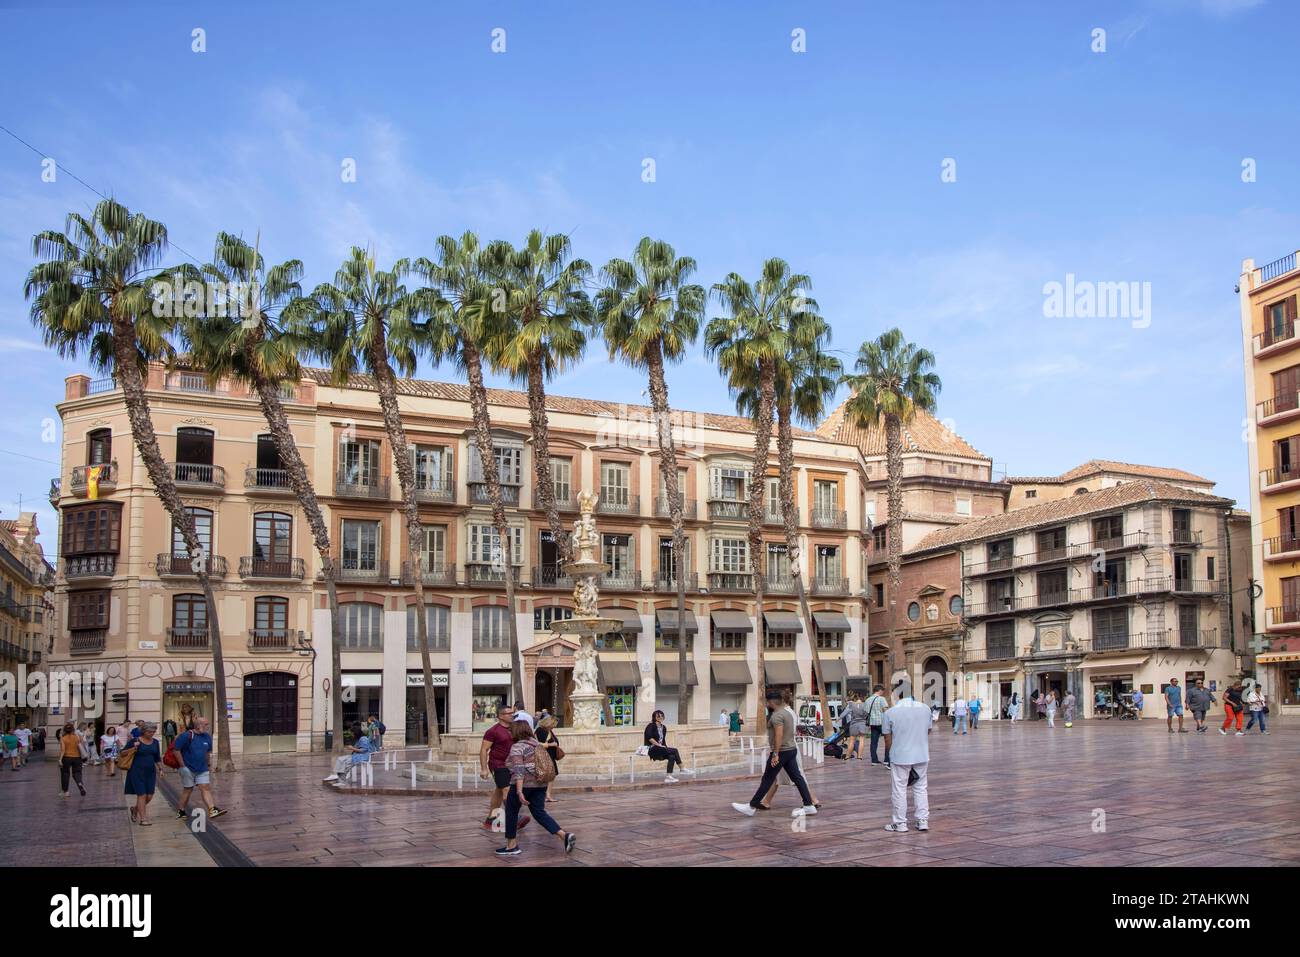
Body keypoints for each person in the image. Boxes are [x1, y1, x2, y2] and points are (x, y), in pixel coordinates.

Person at [495, 718, 576, 857]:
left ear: (516, 731)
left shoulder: (517, 747)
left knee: (511, 812)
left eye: (510, 730)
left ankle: (511, 846)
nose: (509, 733)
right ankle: (564, 835)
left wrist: (519, 791)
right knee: (539, 812)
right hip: (541, 784)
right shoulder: (536, 744)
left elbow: (519, 770)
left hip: (523, 785)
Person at [732, 689, 816, 818]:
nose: (766, 704)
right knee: (797, 778)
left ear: (771, 702)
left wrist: (775, 753)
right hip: (791, 749)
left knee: (768, 779)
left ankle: (751, 806)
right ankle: (809, 805)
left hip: (781, 751)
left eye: (767, 702)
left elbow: (778, 734)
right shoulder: (788, 713)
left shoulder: (777, 716)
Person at [881, 684, 932, 833]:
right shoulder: (925, 709)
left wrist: (890, 754)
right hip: (922, 754)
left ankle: (900, 823)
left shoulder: (890, 712)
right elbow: (928, 730)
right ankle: (923, 820)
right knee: (921, 787)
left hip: (900, 754)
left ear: (897, 695)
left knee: (899, 789)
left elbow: (887, 737)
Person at [479, 706, 529, 831]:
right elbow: (484, 749)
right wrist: (484, 768)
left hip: (512, 764)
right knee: (506, 789)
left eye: (513, 712)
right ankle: (514, 818)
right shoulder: (493, 731)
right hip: (498, 764)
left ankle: (491, 819)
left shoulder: (514, 728)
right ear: (501, 716)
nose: (512, 714)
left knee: (499, 790)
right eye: (509, 713)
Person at [175, 716, 227, 821]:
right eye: (206, 724)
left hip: (202, 768)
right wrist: (182, 766)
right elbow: (176, 750)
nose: (207, 726)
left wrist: (208, 764)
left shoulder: (207, 737)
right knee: (188, 789)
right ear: (198, 725)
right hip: (187, 768)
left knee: (205, 787)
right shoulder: (187, 735)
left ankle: (212, 810)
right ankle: (181, 810)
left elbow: (207, 752)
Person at [123, 722, 162, 824]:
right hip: (136, 771)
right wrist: (133, 748)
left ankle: (135, 809)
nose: (152, 733)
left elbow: (157, 757)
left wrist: (160, 769)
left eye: (153, 731)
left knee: (149, 796)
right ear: (144, 731)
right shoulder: (135, 740)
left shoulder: (155, 742)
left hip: (150, 772)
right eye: (150, 731)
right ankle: (143, 819)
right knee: (142, 795)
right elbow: (122, 753)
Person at [644, 710, 693, 783]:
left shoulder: (664, 727)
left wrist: (665, 748)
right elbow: (650, 738)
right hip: (652, 749)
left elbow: (662, 740)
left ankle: (668, 777)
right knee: (675, 750)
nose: (660, 717)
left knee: (672, 756)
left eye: (662, 716)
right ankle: (682, 768)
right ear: (654, 717)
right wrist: (659, 745)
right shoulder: (651, 726)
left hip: (660, 749)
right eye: (658, 716)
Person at [535, 714, 562, 802]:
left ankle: (547, 795)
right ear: (549, 723)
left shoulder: (548, 730)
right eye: (553, 725)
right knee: (549, 776)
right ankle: (547, 796)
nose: (554, 727)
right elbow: (538, 744)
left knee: (551, 775)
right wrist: (552, 744)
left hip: (550, 756)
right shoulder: (541, 731)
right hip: (545, 756)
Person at [57, 722, 86, 796]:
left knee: (65, 774)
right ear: (73, 729)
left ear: (64, 730)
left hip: (66, 758)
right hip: (77, 758)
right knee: (77, 773)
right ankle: (80, 784)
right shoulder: (77, 736)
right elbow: (82, 745)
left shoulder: (63, 738)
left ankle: (65, 792)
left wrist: (60, 759)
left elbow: (63, 750)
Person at [865, 684, 890, 766]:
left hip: (873, 723)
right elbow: (886, 710)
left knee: (873, 742)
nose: (883, 692)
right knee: (888, 741)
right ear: (880, 690)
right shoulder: (881, 699)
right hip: (882, 723)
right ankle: (887, 760)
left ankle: (874, 760)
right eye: (882, 691)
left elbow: (866, 711)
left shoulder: (868, 700)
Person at [844, 694, 869, 760]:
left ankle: (847, 756)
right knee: (862, 739)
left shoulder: (852, 705)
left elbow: (846, 713)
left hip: (853, 724)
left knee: (851, 740)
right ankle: (859, 756)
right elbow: (866, 714)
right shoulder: (865, 705)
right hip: (862, 724)